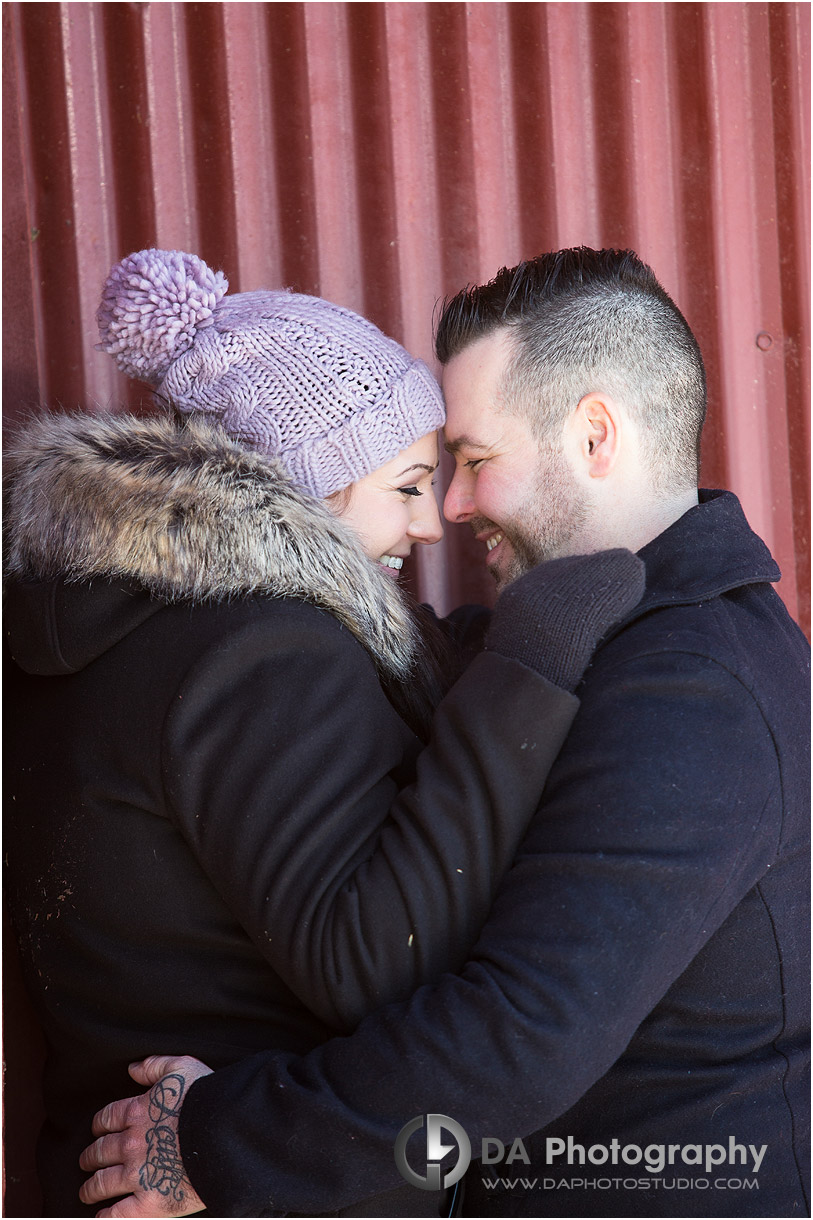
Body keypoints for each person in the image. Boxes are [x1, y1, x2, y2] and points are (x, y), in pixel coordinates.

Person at [79, 247, 809, 1219]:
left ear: (596, 434)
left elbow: (519, 1029)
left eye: (475, 460)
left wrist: (222, 1137)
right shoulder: (606, 639)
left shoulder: (697, 683)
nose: (453, 508)